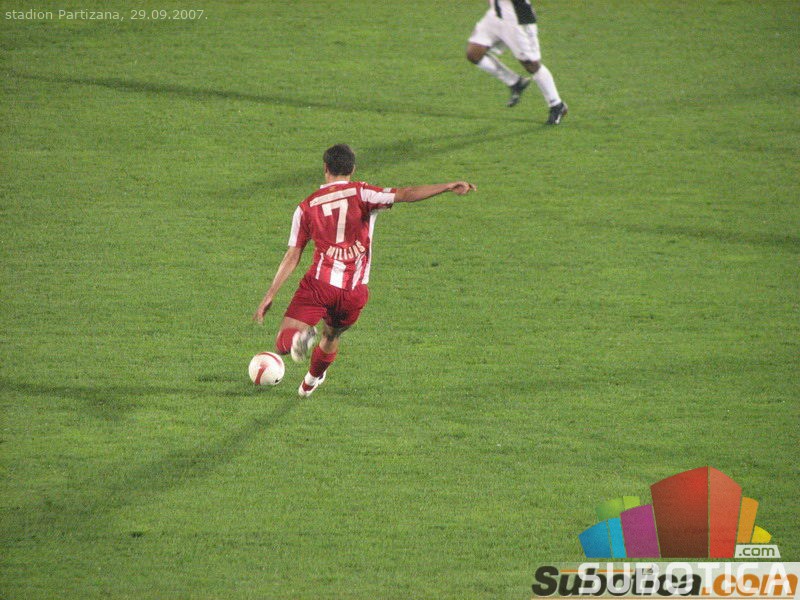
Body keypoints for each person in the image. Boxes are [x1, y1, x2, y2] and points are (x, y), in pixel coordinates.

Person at [253, 144, 476, 397]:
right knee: (332, 335)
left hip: (319, 286)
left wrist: (270, 294)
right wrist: (446, 186)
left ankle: (301, 338)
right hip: (354, 292)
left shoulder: (306, 207)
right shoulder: (364, 193)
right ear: (352, 169)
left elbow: (293, 255)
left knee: (283, 342)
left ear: (325, 168)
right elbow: (406, 193)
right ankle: (310, 382)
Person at [466, 0, 568, 124]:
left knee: (532, 65)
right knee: (474, 53)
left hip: (517, 18)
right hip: (496, 15)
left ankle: (557, 105)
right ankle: (516, 82)